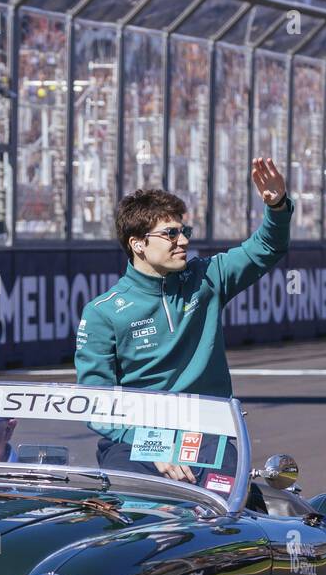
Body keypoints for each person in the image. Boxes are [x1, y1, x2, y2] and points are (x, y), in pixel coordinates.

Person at [75, 157, 293, 482]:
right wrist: (148, 444)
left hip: (207, 436)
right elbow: (94, 400)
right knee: (130, 515)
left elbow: (265, 247)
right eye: (171, 233)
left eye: (185, 230)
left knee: (226, 515)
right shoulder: (102, 312)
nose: (184, 241)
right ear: (138, 244)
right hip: (133, 441)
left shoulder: (208, 277)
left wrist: (276, 207)